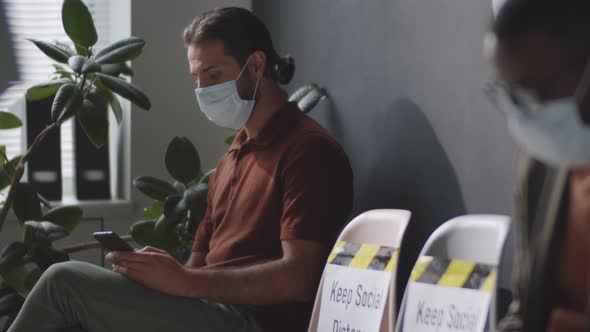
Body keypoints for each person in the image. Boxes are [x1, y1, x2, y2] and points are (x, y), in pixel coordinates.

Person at [8, 7, 353, 332]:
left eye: (213, 74)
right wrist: (161, 276)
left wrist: (185, 282)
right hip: (208, 308)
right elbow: (197, 267)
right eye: (196, 77)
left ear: (257, 64)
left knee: (62, 282)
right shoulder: (232, 158)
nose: (202, 89)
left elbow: (300, 279)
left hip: (253, 322)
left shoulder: (308, 150)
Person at [485, 0, 590, 331]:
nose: (523, 115)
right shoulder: (541, 167)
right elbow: (526, 309)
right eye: (510, 95)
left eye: (533, 92)